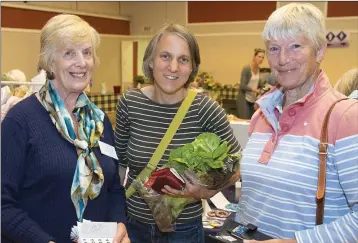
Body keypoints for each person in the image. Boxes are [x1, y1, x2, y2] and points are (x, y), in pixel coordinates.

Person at [1, 14, 129, 243]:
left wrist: (120, 224)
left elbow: (115, 189)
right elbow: (3, 205)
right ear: (50, 62)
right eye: (69, 53)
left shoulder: (100, 121)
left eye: (87, 52)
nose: (81, 62)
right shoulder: (20, 121)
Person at [236, 3, 358, 243]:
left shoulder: (345, 117)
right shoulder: (261, 115)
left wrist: (295, 242)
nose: (282, 59)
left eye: (295, 46)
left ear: (320, 50)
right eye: (273, 48)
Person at [114, 23, 241, 243]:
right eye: (165, 56)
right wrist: (114, 216)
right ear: (151, 61)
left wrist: (205, 191)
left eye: (183, 59)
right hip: (133, 227)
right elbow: (119, 164)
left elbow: (237, 164)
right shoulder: (129, 103)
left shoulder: (205, 109)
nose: (173, 67)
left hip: (183, 232)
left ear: (192, 67)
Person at [236, 48, 266, 119]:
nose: (261, 59)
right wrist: (254, 90)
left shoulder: (258, 68)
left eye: (262, 57)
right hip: (244, 99)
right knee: (245, 121)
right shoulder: (246, 68)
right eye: (259, 57)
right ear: (254, 56)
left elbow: (258, 83)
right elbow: (242, 86)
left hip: (253, 99)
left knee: (251, 121)